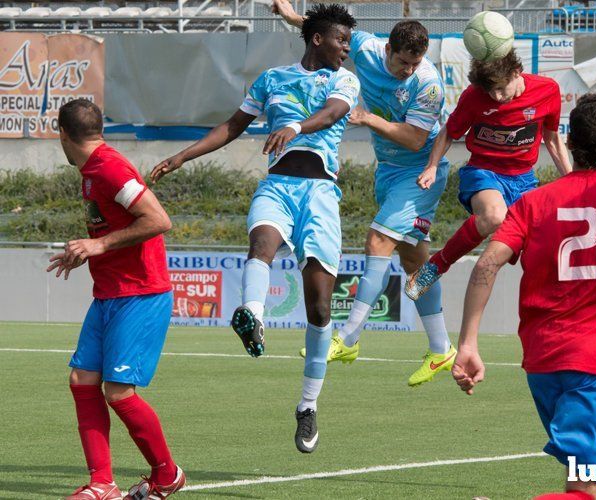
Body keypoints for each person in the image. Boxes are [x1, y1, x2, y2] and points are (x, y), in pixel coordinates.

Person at [150, 3, 360, 453]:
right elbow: (232, 126)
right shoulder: (271, 79)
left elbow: (335, 111)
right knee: (261, 243)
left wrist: (296, 127)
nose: (347, 48)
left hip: (322, 195)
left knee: (320, 309)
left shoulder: (344, 79)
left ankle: (307, 406)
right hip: (279, 186)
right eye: (341, 40)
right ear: (318, 39)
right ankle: (254, 318)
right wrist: (182, 156)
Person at [451, 94, 596, 499]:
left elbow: (486, 265)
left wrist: (468, 342)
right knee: (587, 492)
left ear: (568, 142)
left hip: (543, 362)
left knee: (583, 484)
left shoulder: (533, 203)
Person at [272, 0, 455, 386]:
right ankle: (441, 349)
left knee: (377, 242)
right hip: (388, 171)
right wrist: (291, 16)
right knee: (414, 263)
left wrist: (368, 117)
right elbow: (331, 34)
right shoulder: (368, 48)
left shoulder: (427, 83)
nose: (409, 70)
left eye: (415, 63)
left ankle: (349, 336)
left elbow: (416, 139)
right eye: (403, 62)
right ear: (387, 50)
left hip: (420, 172)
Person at [48, 99, 184, 500]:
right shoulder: (92, 170)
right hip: (109, 293)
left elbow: (158, 219)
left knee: (118, 392)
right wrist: (88, 250)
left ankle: (168, 474)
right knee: (82, 380)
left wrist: (98, 243)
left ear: (63, 134)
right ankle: (102, 484)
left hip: (140, 293)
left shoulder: (108, 167)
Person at [406, 52, 572, 300]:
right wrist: (431, 166)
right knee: (494, 215)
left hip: (524, 179)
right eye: (489, 91)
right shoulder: (474, 97)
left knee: (539, 253)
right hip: (483, 173)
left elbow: (552, 139)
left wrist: (573, 180)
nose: (495, 96)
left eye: (500, 88)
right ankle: (436, 266)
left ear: (516, 72)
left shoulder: (547, 91)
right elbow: (448, 132)